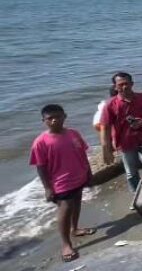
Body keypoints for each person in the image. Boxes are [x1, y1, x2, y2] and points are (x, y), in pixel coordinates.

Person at [30, 104, 95, 263]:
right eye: (49, 118)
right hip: (60, 183)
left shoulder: (73, 133)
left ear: (64, 116)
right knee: (65, 210)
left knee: (77, 202)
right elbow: (41, 167)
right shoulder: (41, 142)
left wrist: (88, 171)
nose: (54, 120)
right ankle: (66, 244)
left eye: (57, 116)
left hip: (79, 176)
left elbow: (82, 153)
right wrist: (47, 188)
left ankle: (76, 228)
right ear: (43, 121)